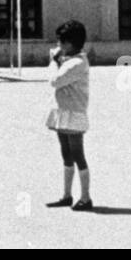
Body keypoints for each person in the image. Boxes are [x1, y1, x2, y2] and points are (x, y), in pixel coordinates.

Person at [46, 20, 93, 212]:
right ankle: (66, 195)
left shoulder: (77, 63)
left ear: (71, 44)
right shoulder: (68, 60)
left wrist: (53, 62)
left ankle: (85, 197)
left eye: (62, 43)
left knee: (77, 154)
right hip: (63, 111)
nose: (59, 46)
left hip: (73, 113)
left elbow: (55, 81)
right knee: (66, 153)